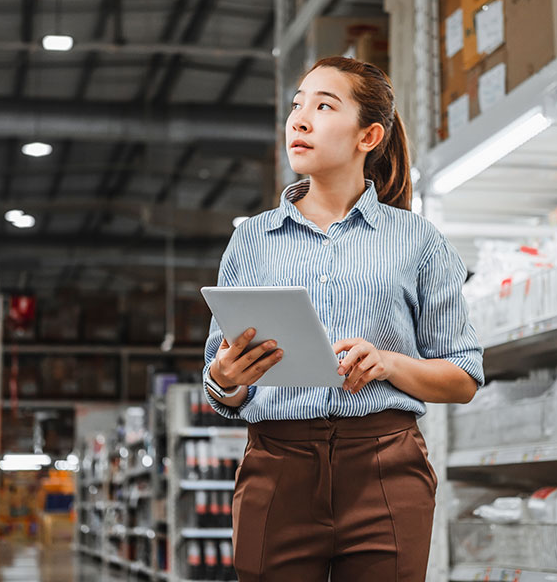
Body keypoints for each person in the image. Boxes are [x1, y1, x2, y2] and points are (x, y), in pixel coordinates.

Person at [201, 56, 484, 582]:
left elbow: (464, 378)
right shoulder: (252, 240)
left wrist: (389, 364)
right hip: (277, 466)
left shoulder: (417, 241)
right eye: (296, 106)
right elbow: (219, 385)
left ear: (368, 136)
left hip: (385, 469)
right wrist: (227, 380)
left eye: (323, 106)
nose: (299, 120)